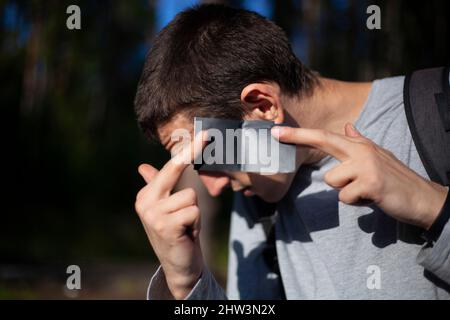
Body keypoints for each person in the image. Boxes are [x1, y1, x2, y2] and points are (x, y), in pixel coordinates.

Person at [133, 4, 450, 299]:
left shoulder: (438, 113)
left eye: (212, 157)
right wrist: (185, 280)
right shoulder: (259, 198)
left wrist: (433, 207)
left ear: (263, 106)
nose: (214, 188)